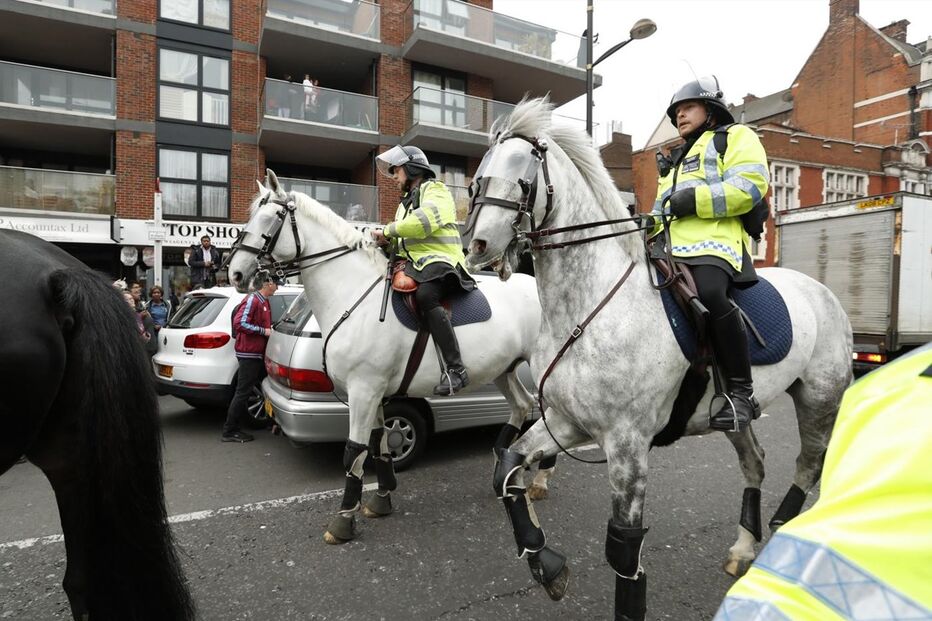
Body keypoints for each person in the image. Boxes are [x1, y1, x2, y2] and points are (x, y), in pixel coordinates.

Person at [714, 344, 932, 620]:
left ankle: (740, 391)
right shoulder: (881, 385)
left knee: (716, 310)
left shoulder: (881, 385)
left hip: (759, 608)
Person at [648, 76, 770, 433]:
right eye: (676, 111)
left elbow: (750, 186)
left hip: (715, 243)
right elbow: (660, 210)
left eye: (688, 107)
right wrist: (643, 225)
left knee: (711, 294)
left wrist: (696, 200)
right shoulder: (675, 158)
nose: (680, 115)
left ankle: (742, 393)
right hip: (669, 249)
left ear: (711, 109)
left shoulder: (735, 137)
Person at [371, 145, 475, 395]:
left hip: (442, 260)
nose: (394, 176)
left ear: (411, 168)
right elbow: (402, 240)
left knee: (426, 295)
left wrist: (387, 230)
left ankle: (456, 369)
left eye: (397, 170)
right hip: (418, 263)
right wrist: (386, 243)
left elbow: (423, 223)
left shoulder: (436, 190)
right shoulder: (404, 204)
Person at [221, 271, 280, 443]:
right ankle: (229, 430)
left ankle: (271, 422)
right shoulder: (253, 300)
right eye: (276, 284)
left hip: (257, 353)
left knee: (263, 389)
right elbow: (239, 323)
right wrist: (264, 331)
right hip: (249, 353)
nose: (277, 288)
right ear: (268, 283)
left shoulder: (264, 301)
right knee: (243, 392)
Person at [123, 290, 157, 356]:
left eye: (131, 298)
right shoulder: (125, 315)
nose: (131, 300)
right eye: (128, 299)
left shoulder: (140, 312)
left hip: (150, 346)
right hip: (139, 350)